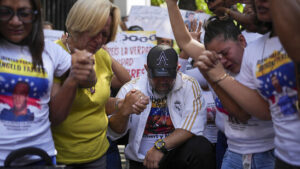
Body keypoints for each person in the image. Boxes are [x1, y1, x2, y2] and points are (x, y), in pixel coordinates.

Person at [167, 0, 300, 168]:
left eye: (225, 52)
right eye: (216, 55)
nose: (221, 59)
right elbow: (185, 42)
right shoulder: (221, 60)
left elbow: (245, 113)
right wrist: (171, 4)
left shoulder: (258, 57)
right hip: (233, 152)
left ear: (242, 41)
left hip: (269, 154)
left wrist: (218, 77)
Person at [0, 0, 95, 166]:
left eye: (24, 14)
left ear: (35, 16)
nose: (15, 21)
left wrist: (83, 66)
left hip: (40, 157)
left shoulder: (50, 50)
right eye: (5, 12)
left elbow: (90, 81)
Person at [51, 0, 144, 168]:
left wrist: (122, 104)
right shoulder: (53, 55)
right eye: (95, 33)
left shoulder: (102, 56)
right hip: (62, 158)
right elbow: (52, 114)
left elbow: (98, 101)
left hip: (99, 154)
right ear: (79, 24)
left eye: (106, 35)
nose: (100, 41)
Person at [108, 45, 215, 169]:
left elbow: (192, 127)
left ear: (178, 69)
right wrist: (124, 111)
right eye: (157, 77)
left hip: (174, 157)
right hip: (141, 162)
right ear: (147, 69)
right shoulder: (131, 89)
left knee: (201, 146)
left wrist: (160, 147)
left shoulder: (189, 85)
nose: (163, 81)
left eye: (168, 76)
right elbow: (114, 134)